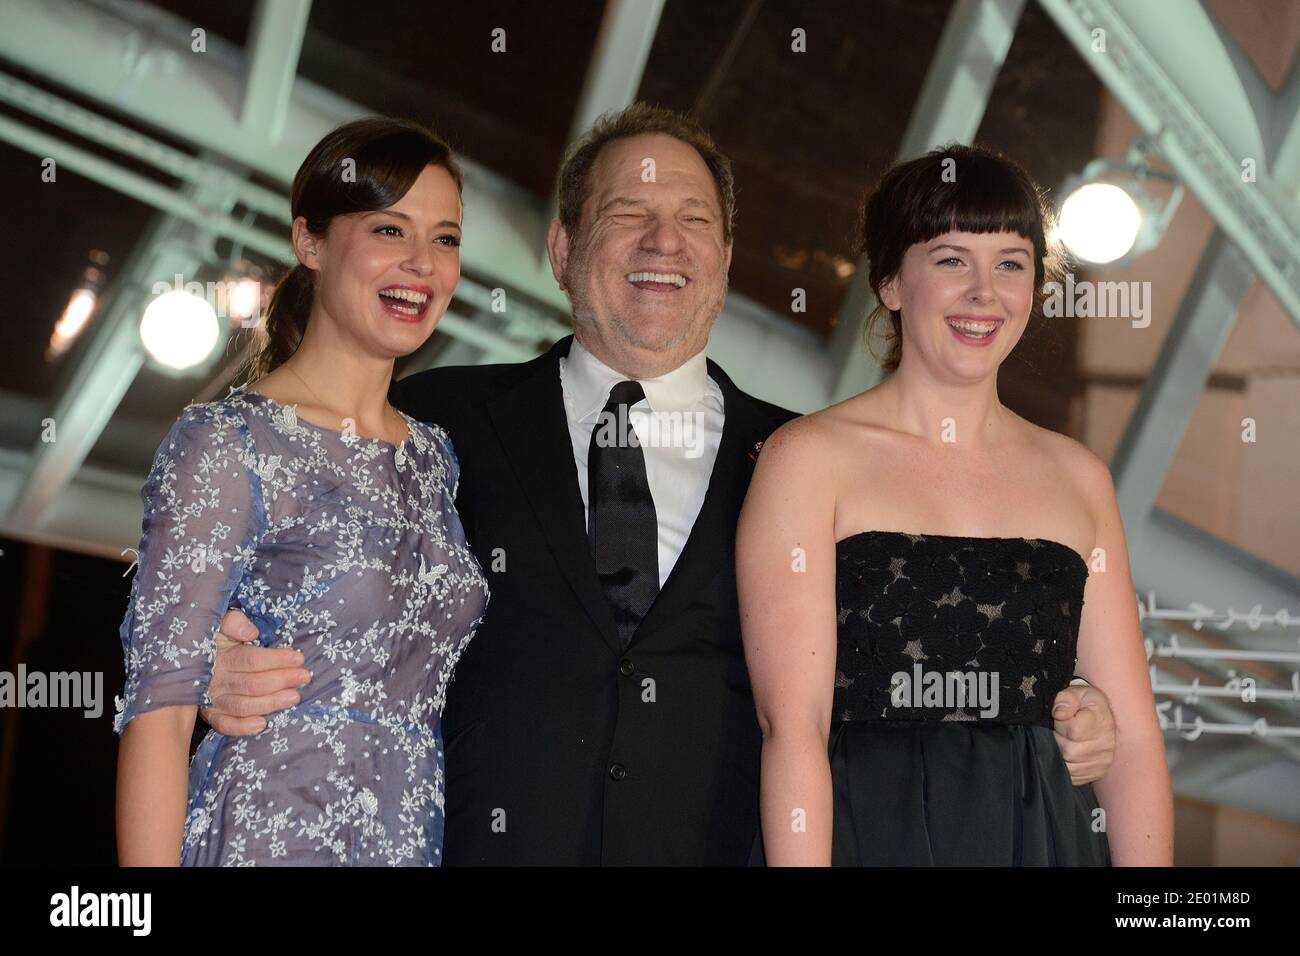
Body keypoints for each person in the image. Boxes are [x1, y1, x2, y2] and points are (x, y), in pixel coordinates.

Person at [199, 105, 1118, 865]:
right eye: (625, 215)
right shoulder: (436, 419)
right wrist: (208, 649)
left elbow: (902, 654)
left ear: (724, 255)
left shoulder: (803, 459)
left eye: (693, 219)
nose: (662, 242)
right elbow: (233, 514)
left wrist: (1061, 708)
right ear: (562, 249)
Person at [737, 143, 1173, 866]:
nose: (984, 293)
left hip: (1042, 844)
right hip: (867, 839)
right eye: (950, 260)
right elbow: (794, 728)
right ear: (890, 282)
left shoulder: (1078, 477)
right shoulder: (808, 460)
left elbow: (1134, 740)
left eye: (1010, 263)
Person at [114, 117, 488, 866]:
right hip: (267, 835)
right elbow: (158, 712)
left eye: (444, 239)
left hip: (406, 841)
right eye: (390, 229)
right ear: (310, 241)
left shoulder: (435, 457)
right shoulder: (228, 442)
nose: (423, 263)